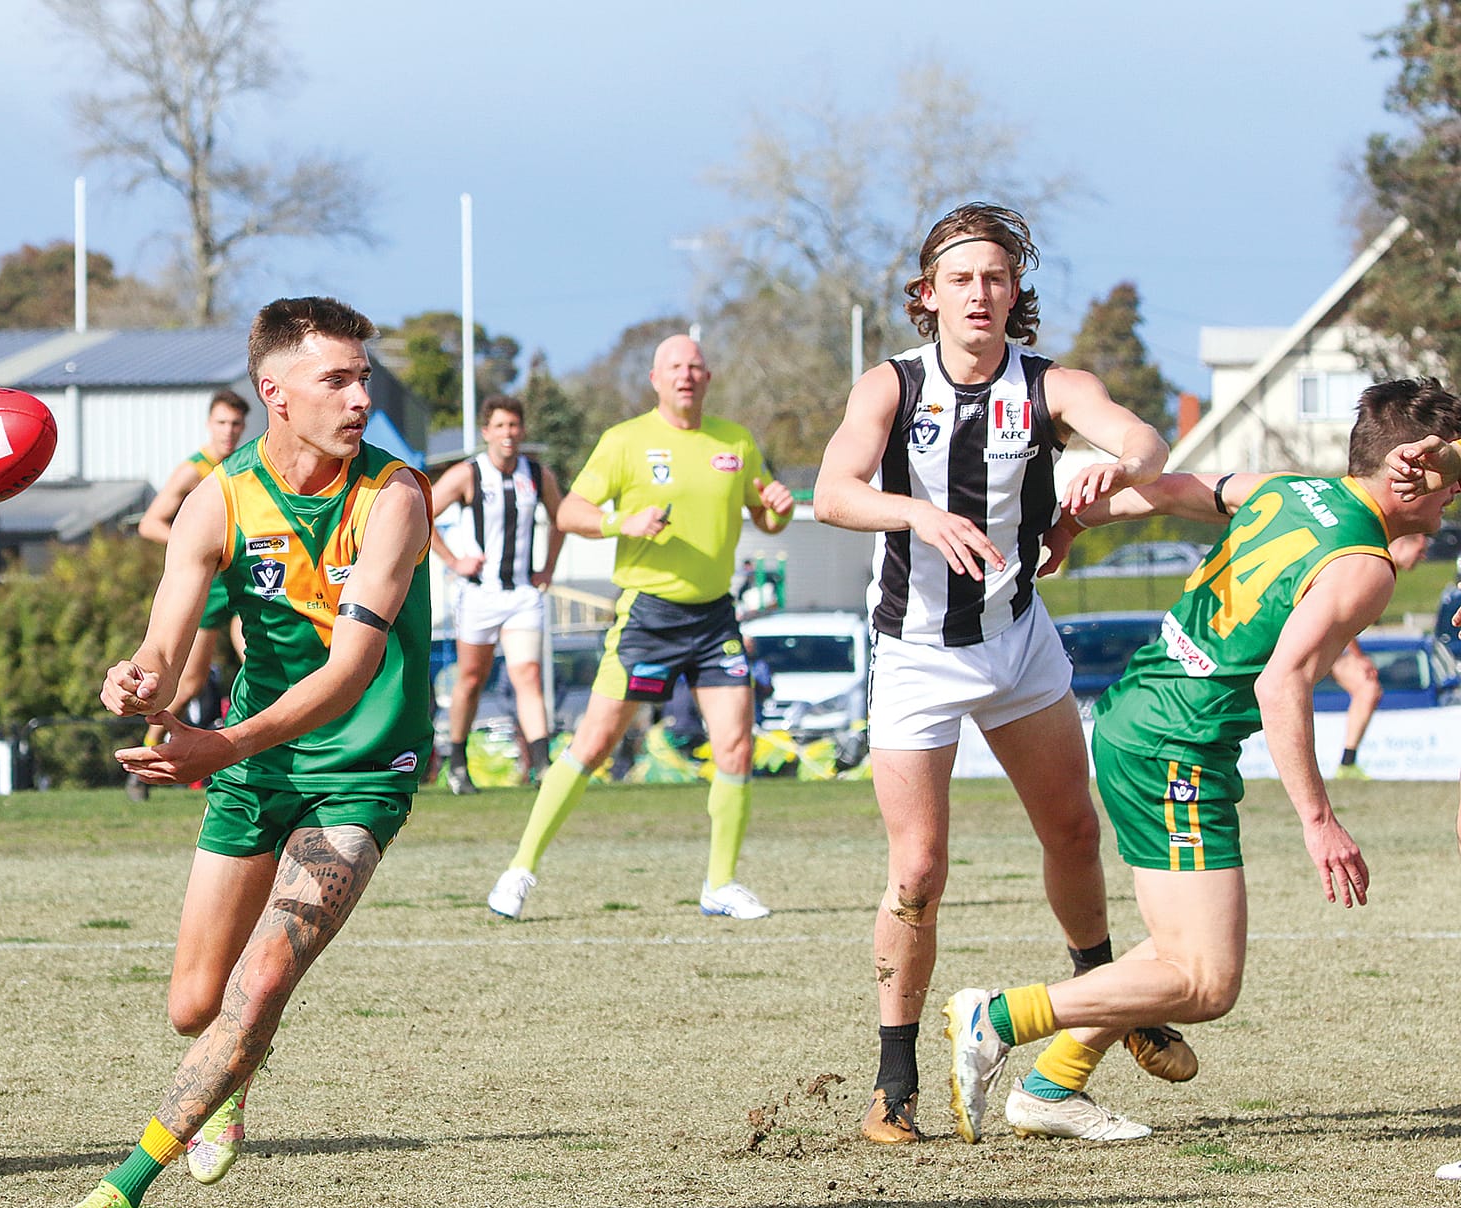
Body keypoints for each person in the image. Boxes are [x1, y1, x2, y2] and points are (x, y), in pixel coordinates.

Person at [945, 377, 1461, 1146]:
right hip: (1175, 750)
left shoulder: (1290, 489)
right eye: (1450, 491)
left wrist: (1080, 519)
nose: (1449, 505)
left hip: (1140, 718)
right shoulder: (1366, 564)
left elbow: (1174, 489)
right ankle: (997, 1017)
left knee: (1181, 946)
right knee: (1205, 983)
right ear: (1407, 474)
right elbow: (1281, 682)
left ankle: (1053, 1086)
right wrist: (1320, 822)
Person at [47, 296, 432, 1208]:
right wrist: (138, 682)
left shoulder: (397, 498)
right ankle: (235, 1074)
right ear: (276, 393)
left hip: (358, 768)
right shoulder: (219, 497)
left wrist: (217, 743)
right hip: (258, 769)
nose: (358, 397)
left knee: (262, 982)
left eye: (363, 378)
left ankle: (117, 1193)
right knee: (196, 1008)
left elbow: (348, 676)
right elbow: (167, 642)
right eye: (335, 380)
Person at [812, 203, 1184, 1146]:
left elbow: (1141, 439)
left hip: (1018, 643)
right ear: (927, 294)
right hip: (917, 653)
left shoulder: (1051, 385)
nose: (980, 293)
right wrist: (915, 514)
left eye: (997, 278)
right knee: (920, 868)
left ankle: (1113, 1004)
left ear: (1016, 294)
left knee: (1072, 829)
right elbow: (831, 494)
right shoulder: (890, 387)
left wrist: (1112, 468)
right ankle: (893, 1085)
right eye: (962, 278)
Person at [485, 335, 794, 922]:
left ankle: (720, 884)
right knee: (594, 745)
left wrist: (776, 507)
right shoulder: (625, 441)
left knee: (735, 743)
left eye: (696, 366)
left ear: (708, 378)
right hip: (648, 616)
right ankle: (519, 869)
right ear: (655, 378)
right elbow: (570, 512)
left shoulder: (736, 441)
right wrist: (623, 519)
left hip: (714, 617)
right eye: (675, 366)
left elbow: (767, 519)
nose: (686, 375)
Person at [428, 394, 565, 791]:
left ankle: (542, 765)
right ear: (486, 432)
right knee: (471, 679)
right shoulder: (469, 473)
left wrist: (549, 566)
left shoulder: (537, 474)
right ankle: (457, 762)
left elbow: (562, 518)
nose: (508, 433)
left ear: (522, 430)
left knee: (529, 673)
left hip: (521, 592)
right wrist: (453, 560)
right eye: (500, 426)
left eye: (514, 425)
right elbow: (421, 511)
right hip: (479, 594)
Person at [140, 389, 252, 725]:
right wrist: (203, 546)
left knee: (259, 660)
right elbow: (150, 523)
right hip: (206, 586)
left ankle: (257, 742)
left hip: (242, 580)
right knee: (189, 684)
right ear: (209, 424)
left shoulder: (244, 465)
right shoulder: (194, 469)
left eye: (235, 423)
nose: (228, 430)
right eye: (221, 422)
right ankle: (148, 749)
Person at [1332, 531, 1429, 779]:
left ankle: (1347, 763)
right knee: (1367, 687)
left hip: (1329, 641)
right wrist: (1357, 655)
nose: (1423, 557)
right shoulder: (1374, 563)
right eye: (1420, 550)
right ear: (1407, 543)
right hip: (1321, 637)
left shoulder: (1383, 568)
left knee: (1367, 689)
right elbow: (1339, 611)